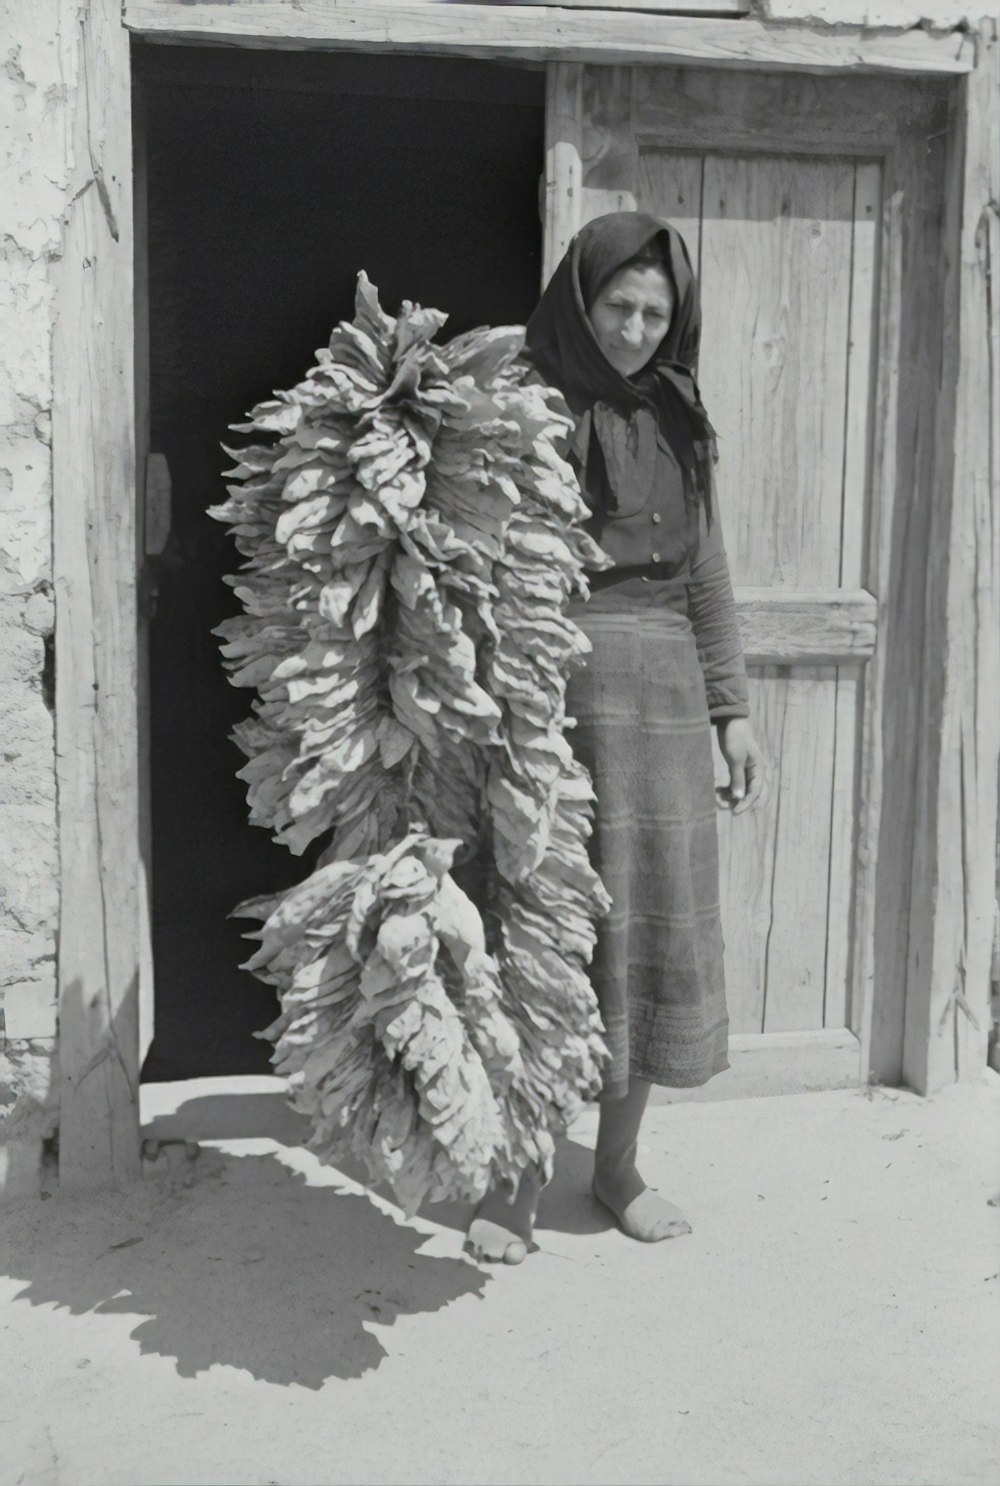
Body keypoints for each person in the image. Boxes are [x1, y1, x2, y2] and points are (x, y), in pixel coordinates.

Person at [466, 212, 764, 1265]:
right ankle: (515, 1180)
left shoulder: (682, 418)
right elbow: (477, 562)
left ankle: (618, 1167)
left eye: (655, 312)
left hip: (667, 701)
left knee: (647, 932)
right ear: (579, 304)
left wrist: (729, 710)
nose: (636, 329)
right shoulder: (523, 411)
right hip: (550, 696)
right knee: (546, 936)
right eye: (618, 307)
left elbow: (707, 573)